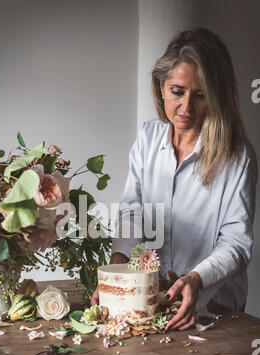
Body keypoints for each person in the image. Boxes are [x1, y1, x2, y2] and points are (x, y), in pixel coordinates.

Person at [91, 28, 258, 330]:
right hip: (153, 298)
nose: (186, 108)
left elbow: (235, 244)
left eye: (201, 95)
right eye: (178, 91)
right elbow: (133, 214)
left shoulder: (238, 155)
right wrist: (115, 273)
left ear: (217, 96)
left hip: (214, 305)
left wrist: (195, 278)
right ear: (162, 87)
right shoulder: (147, 137)